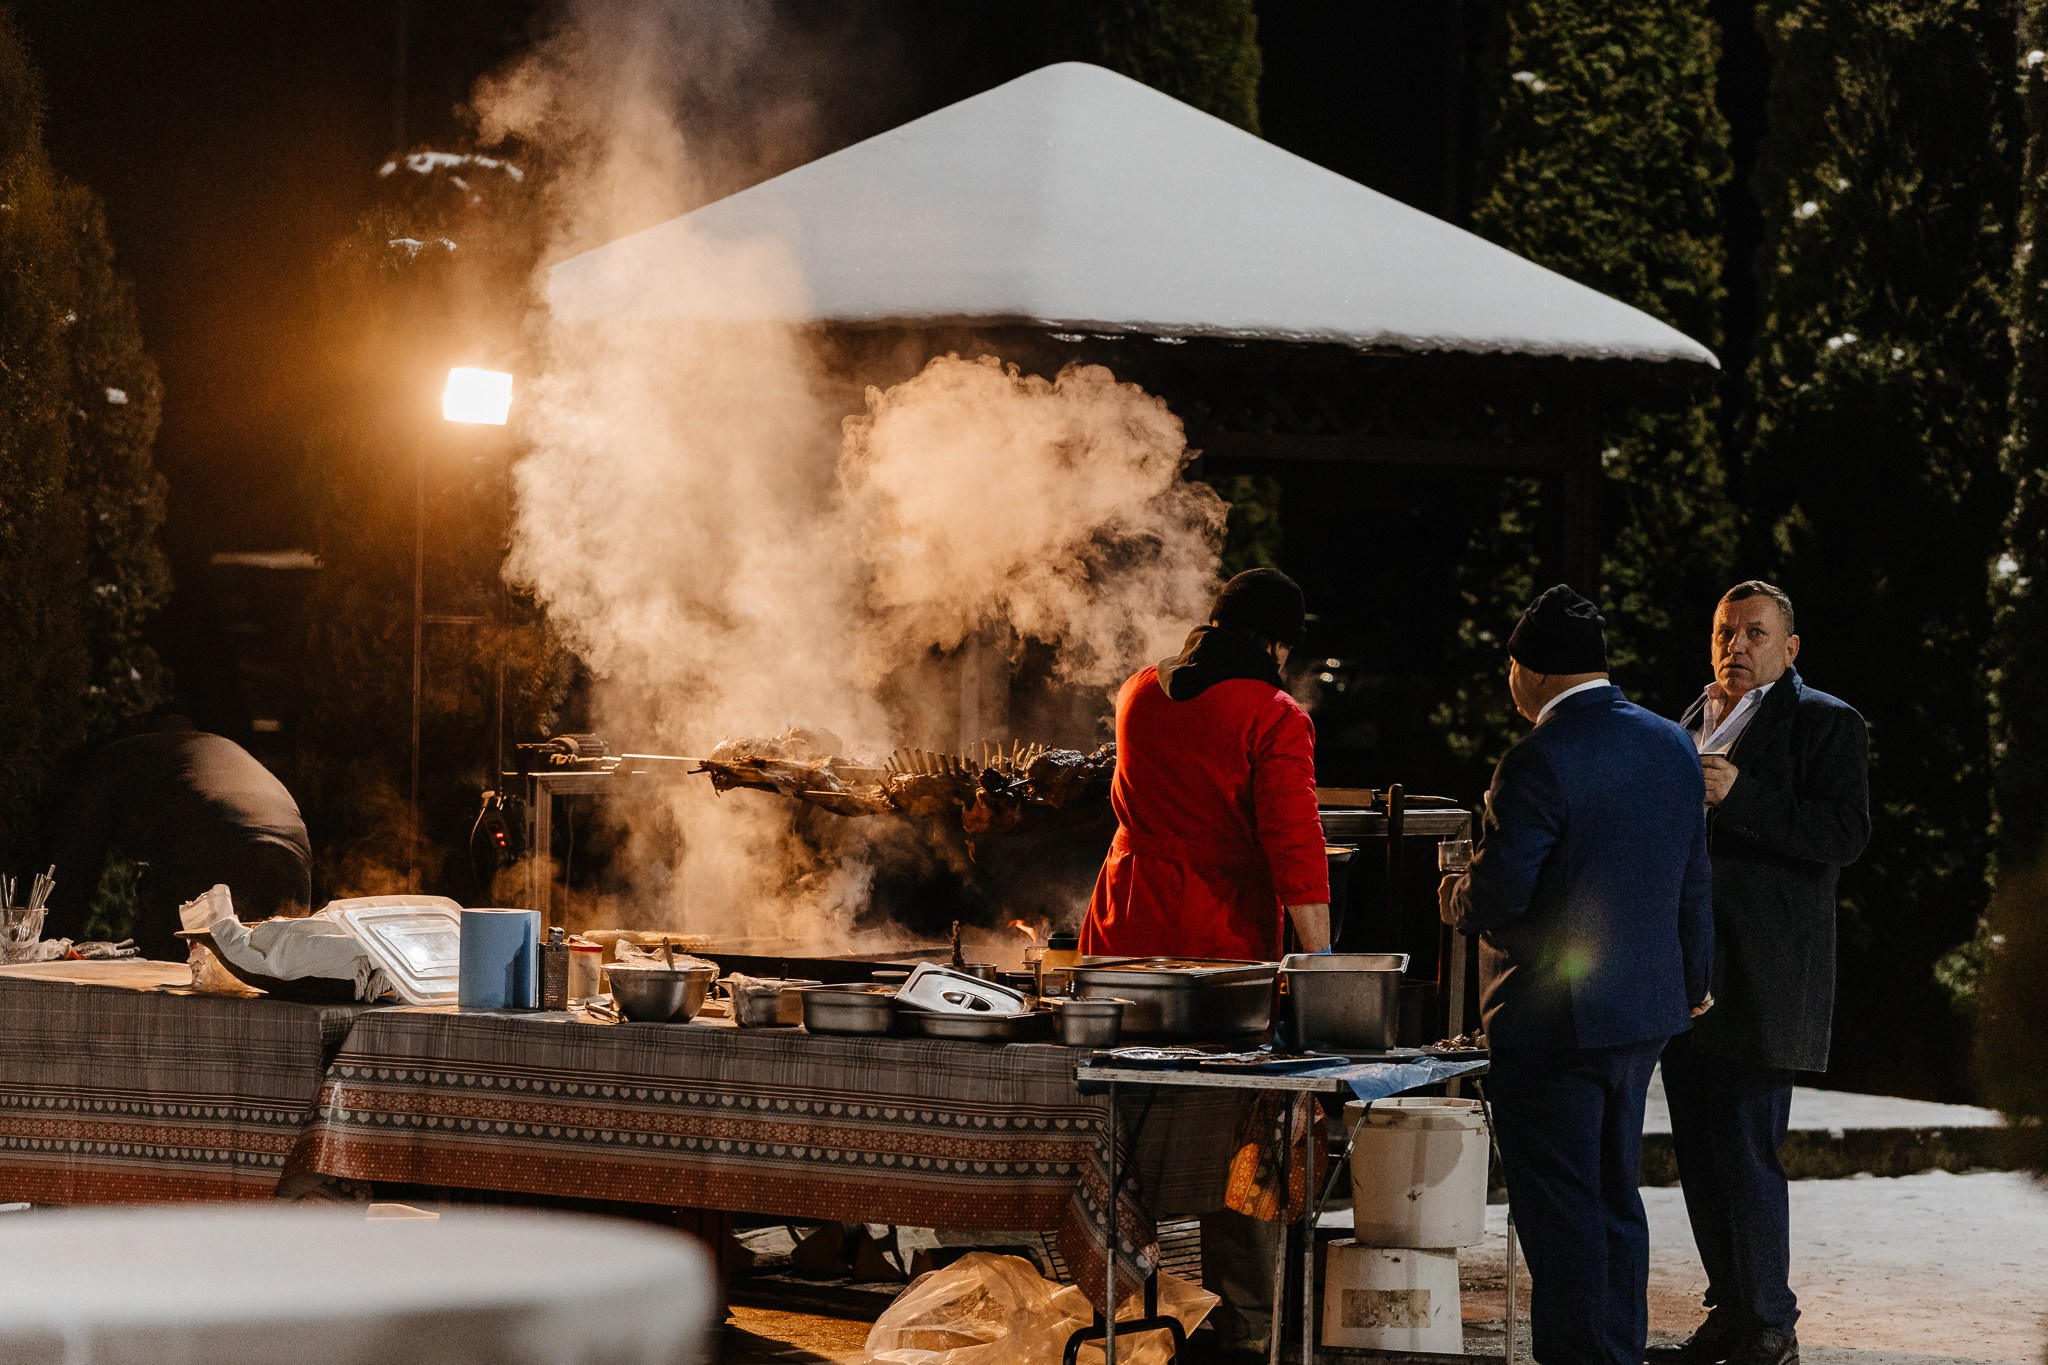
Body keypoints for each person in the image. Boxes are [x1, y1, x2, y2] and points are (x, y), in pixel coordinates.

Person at [1438, 584, 1712, 1365]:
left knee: (1561, 1213)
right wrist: (1695, 977)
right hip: (1644, 1012)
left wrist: (1454, 893)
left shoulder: (1538, 757)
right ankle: (1619, 1351)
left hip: (1551, 1019)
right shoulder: (1668, 743)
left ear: (1532, 670)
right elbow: (1697, 877)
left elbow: (1500, 890)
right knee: (1614, 1198)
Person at [1080, 566, 1330, 1361]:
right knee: (1243, 1125)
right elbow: (1296, 849)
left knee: (1128, 1123)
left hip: (1122, 935)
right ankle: (1245, 1320)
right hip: (1215, 953)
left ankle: (1115, 1301)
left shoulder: (1138, 692)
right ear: (1274, 641)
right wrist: (1321, 966)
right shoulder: (1274, 712)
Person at [1652, 581, 1869, 1365]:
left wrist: (1741, 793)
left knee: (1746, 1150)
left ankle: (1772, 1321)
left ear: (1790, 647)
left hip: (1764, 974)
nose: (1735, 645)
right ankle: (1732, 1312)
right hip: (1687, 972)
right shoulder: (1687, 719)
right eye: (1724, 631)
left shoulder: (1825, 721)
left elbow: (1844, 832)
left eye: (1753, 632)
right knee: (1700, 1155)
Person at [37, 714, 313, 961]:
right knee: (275, 966)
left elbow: (72, 872)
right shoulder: (208, 749)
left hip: (209, 842)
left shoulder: (111, 761)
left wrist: (47, 948)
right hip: (293, 854)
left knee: (165, 971)